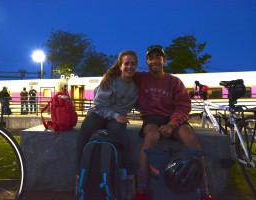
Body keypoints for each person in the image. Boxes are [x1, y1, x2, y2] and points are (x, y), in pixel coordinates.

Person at [101, 45, 213, 200]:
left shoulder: (174, 82)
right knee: (152, 136)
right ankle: (141, 189)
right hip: (152, 118)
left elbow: (183, 106)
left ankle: (204, 190)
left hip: (173, 118)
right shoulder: (141, 78)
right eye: (150, 58)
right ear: (147, 61)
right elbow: (123, 71)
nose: (154, 61)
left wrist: (171, 124)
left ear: (164, 60)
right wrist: (107, 75)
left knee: (189, 136)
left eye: (157, 58)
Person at [77, 50, 139, 199]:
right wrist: (116, 115)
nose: (129, 67)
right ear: (120, 65)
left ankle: (128, 175)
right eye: (126, 64)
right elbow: (98, 105)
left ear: (136, 66)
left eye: (133, 64)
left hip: (116, 118)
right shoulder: (110, 80)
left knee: (122, 137)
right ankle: (79, 174)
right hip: (100, 112)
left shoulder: (138, 84)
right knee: (86, 130)